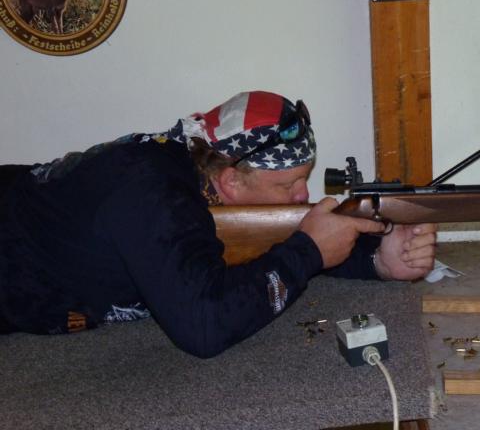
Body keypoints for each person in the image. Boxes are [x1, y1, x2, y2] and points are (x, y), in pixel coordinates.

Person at [0, 91, 437, 358]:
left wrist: (378, 260)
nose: (301, 196)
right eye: (289, 184)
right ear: (230, 181)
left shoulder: (193, 173)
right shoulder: (156, 195)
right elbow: (203, 326)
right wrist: (308, 251)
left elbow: (255, 242)